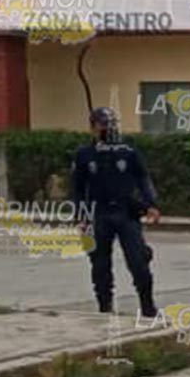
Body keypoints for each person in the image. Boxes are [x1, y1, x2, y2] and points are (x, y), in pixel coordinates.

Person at [72, 107, 161, 319]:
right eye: (103, 124)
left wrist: (151, 204)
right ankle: (105, 307)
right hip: (98, 214)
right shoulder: (85, 155)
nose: (107, 129)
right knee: (100, 263)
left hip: (126, 212)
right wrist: (81, 216)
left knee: (138, 261)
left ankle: (148, 307)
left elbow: (143, 179)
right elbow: (78, 188)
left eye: (111, 124)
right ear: (93, 127)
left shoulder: (128, 152)